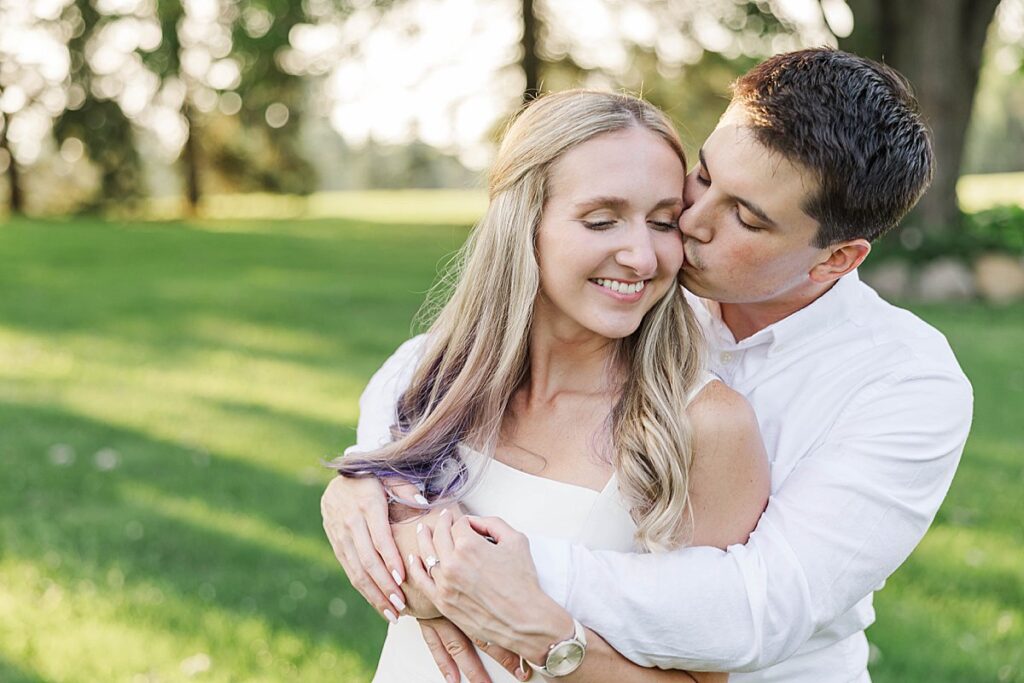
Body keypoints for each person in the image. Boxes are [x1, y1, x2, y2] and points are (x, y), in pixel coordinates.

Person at [324, 47, 974, 682]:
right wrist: (364, 480)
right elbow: (436, 370)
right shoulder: (634, 290)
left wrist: (470, 565)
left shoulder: (907, 382)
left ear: (835, 259)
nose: (688, 222)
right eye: (705, 175)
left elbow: (757, 609)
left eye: (744, 217)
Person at [325, 89, 771, 682]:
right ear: (522, 225)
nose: (641, 256)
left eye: (663, 222)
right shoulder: (431, 378)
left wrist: (550, 641)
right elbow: (377, 487)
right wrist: (361, 490)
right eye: (602, 219)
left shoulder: (702, 425)